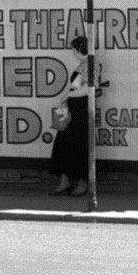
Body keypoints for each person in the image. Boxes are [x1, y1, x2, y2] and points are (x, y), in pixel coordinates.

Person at [49, 34, 92, 197]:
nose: (73, 53)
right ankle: (65, 181)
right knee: (64, 143)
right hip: (74, 108)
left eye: (74, 50)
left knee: (80, 144)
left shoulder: (91, 65)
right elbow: (75, 87)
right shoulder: (83, 64)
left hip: (83, 109)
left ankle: (82, 182)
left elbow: (88, 89)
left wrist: (66, 97)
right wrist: (65, 99)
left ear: (80, 49)